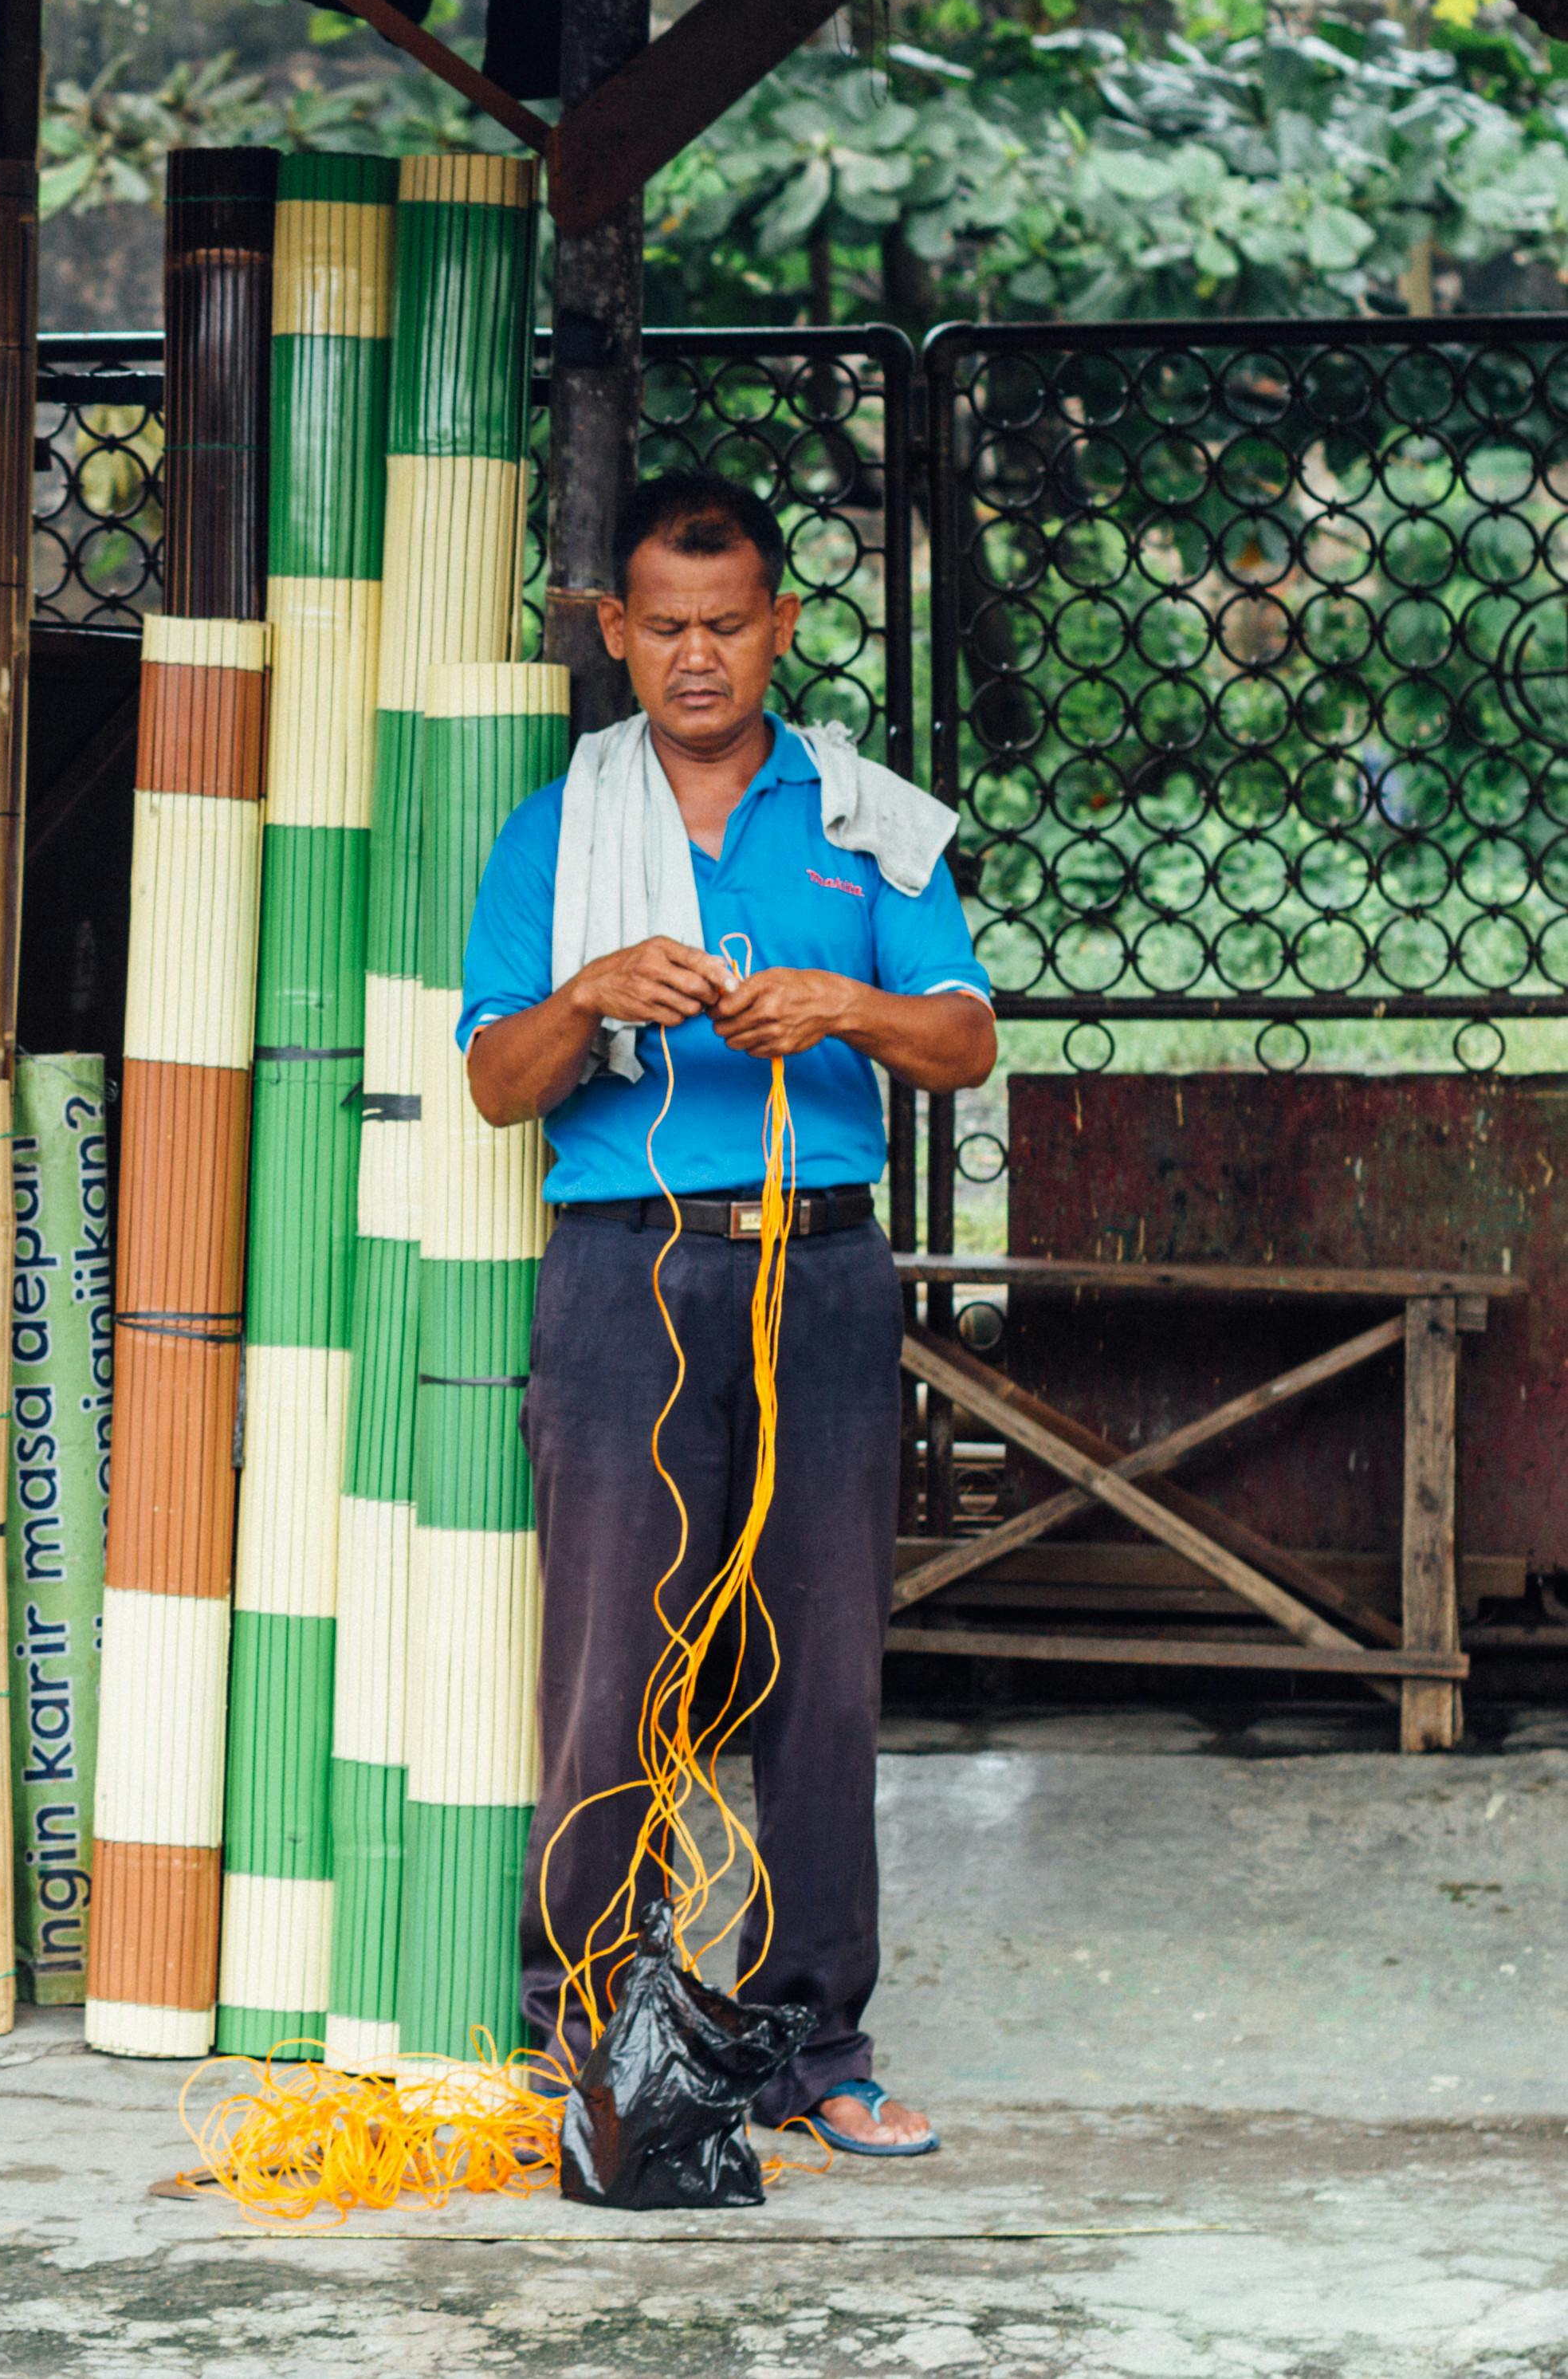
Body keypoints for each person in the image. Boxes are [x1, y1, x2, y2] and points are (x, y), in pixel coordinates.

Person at [456, 470, 996, 2161]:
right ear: (616, 633)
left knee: (822, 1661)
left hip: (820, 1268)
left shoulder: (863, 820)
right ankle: (591, 2023)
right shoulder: (556, 830)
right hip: (626, 1269)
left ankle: (811, 2037)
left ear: (781, 625)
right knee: (614, 1649)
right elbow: (493, 1081)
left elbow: (968, 1034)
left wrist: (856, 1005)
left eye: (729, 622)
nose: (698, 655)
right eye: (664, 626)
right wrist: (588, 994)